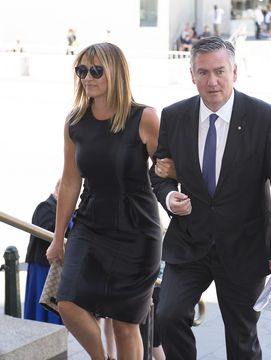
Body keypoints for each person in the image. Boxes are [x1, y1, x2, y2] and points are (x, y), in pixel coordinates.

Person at [150, 36, 271, 360]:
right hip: (189, 243)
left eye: (219, 71)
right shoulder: (174, 116)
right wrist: (170, 195)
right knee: (168, 316)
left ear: (235, 72)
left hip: (244, 248)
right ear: (192, 75)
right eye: (203, 72)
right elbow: (159, 173)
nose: (212, 81)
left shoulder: (265, 118)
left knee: (241, 339)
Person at [46, 42, 162, 360]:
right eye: (82, 70)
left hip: (138, 230)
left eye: (96, 70)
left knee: (126, 325)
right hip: (91, 223)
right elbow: (70, 180)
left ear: (116, 72)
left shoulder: (144, 117)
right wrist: (58, 238)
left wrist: (169, 168)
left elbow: (167, 170)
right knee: (67, 303)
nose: (88, 77)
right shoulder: (75, 122)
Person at [24, 180, 64, 325]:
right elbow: (44, 231)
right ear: (58, 190)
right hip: (42, 265)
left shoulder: (61, 211)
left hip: (54, 266)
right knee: (41, 308)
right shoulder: (45, 207)